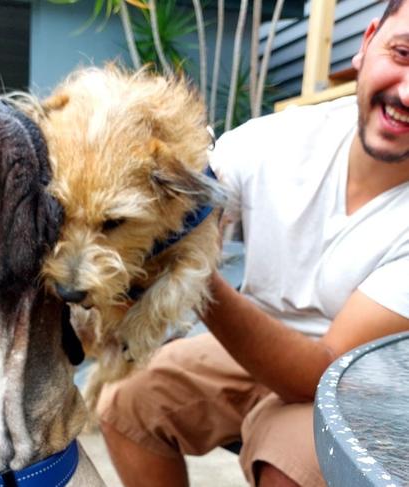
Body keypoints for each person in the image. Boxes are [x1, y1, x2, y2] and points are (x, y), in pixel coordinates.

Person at [96, 1, 409, 486]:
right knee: (125, 403)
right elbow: (199, 195)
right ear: (367, 43)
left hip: (356, 386)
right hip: (253, 347)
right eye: (403, 53)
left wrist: (192, 270)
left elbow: (323, 370)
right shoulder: (282, 139)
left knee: (294, 469)